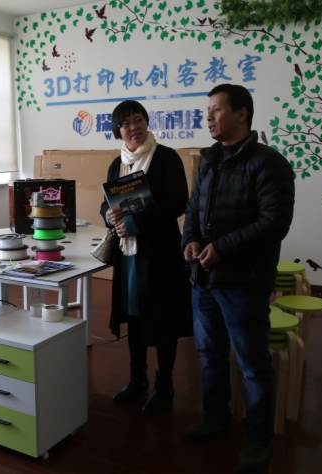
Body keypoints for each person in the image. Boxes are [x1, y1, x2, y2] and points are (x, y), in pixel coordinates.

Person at [180, 84, 295, 474]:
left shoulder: (269, 163)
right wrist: (190, 239)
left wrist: (223, 249)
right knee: (210, 354)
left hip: (243, 281)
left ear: (242, 113)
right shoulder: (209, 161)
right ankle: (216, 417)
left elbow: (274, 222)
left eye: (216, 109)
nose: (208, 117)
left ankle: (259, 439)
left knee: (252, 363)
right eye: (207, 110)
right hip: (204, 278)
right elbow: (193, 208)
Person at [100, 100, 192, 415]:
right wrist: (108, 216)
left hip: (161, 253)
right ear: (118, 130)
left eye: (139, 120)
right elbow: (106, 203)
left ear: (147, 122)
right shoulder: (117, 164)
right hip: (129, 255)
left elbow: (178, 202)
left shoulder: (166, 158)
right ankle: (136, 379)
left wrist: (135, 222)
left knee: (163, 317)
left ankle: (164, 385)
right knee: (134, 314)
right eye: (126, 123)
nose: (134, 127)